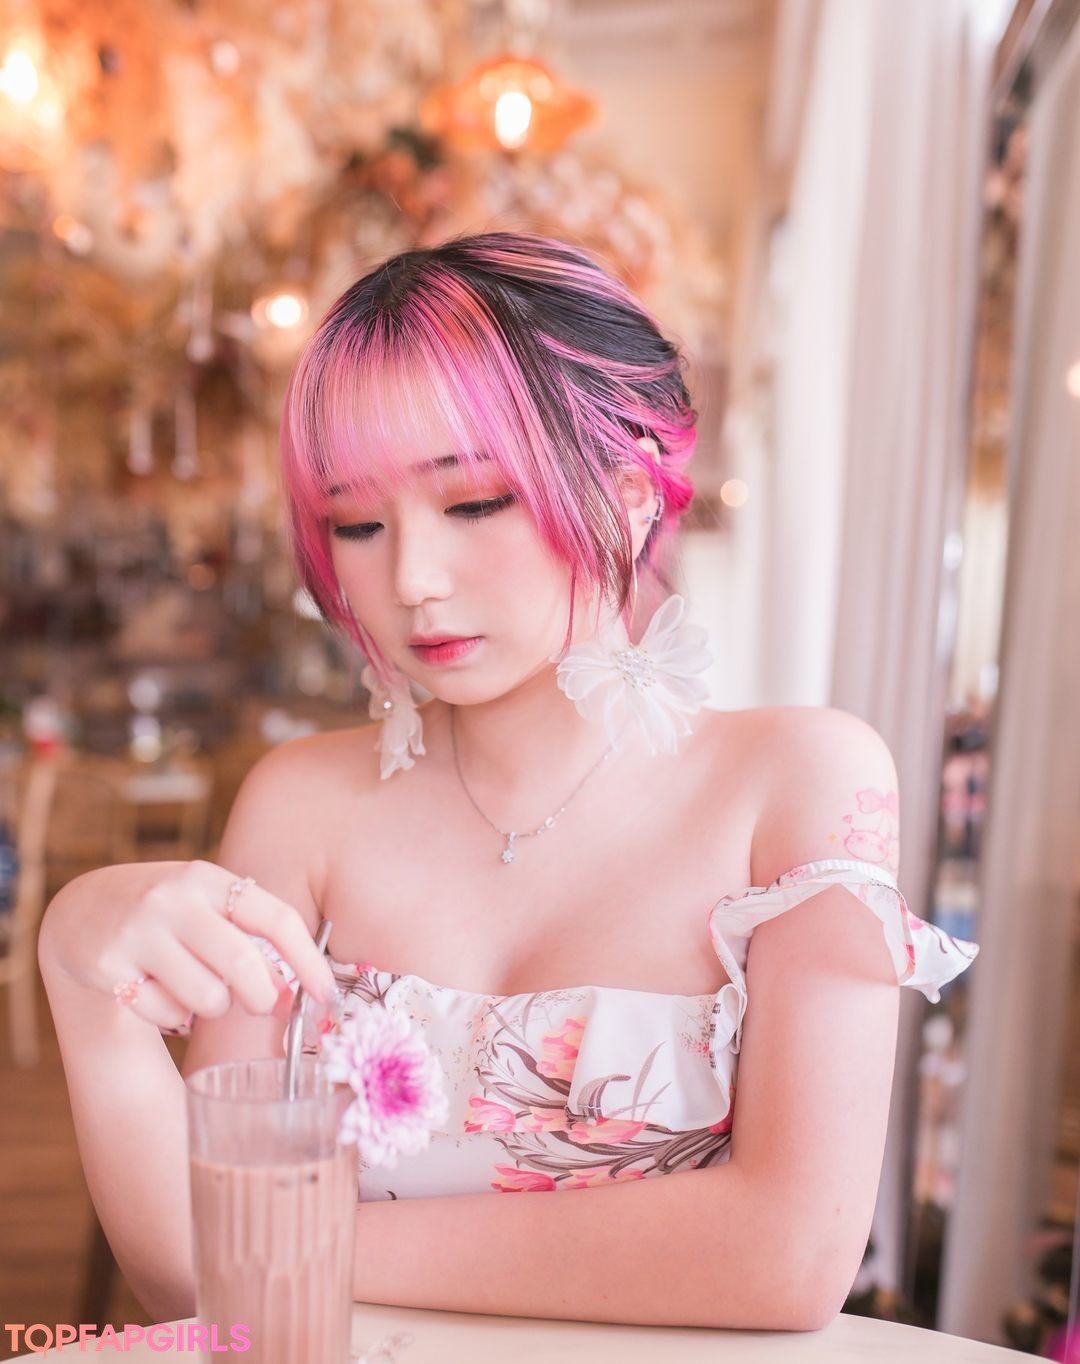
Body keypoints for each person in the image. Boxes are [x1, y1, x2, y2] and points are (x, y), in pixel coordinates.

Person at [37, 230, 979, 1333]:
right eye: (357, 523)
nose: (412, 579)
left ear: (630, 496)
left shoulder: (797, 784)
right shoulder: (302, 807)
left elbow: (792, 1253)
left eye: (475, 502)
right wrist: (77, 967)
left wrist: (283, 1237)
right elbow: (191, 1280)